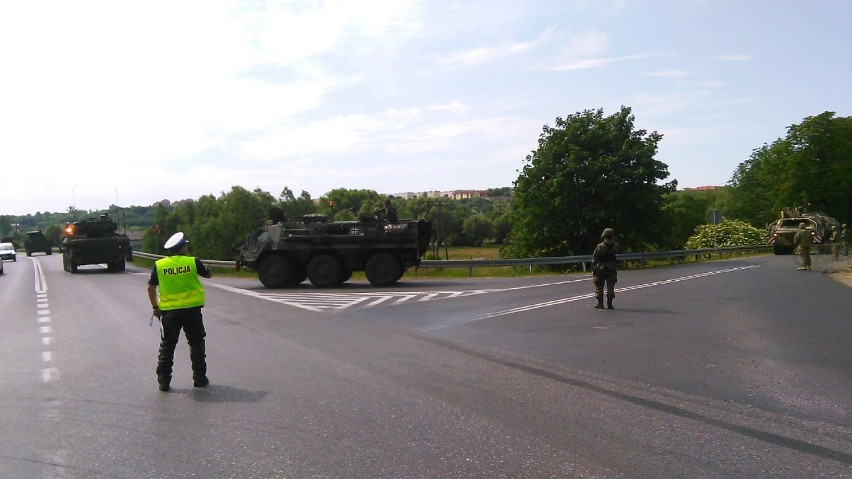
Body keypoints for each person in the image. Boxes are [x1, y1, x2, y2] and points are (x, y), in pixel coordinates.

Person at [147, 232, 212, 392]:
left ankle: (163, 381)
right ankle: (199, 378)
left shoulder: (160, 265)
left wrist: (155, 307)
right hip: (192, 311)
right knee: (196, 343)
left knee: (167, 346)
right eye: (186, 245)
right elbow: (208, 274)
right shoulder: (192, 261)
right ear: (182, 247)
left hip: (169, 313)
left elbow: (150, 287)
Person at [592, 228, 618, 309]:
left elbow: (595, 258)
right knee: (611, 285)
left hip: (601, 267)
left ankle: (600, 303)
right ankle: (610, 304)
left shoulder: (600, 246)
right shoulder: (615, 246)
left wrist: (593, 268)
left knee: (599, 285)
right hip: (612, 267)